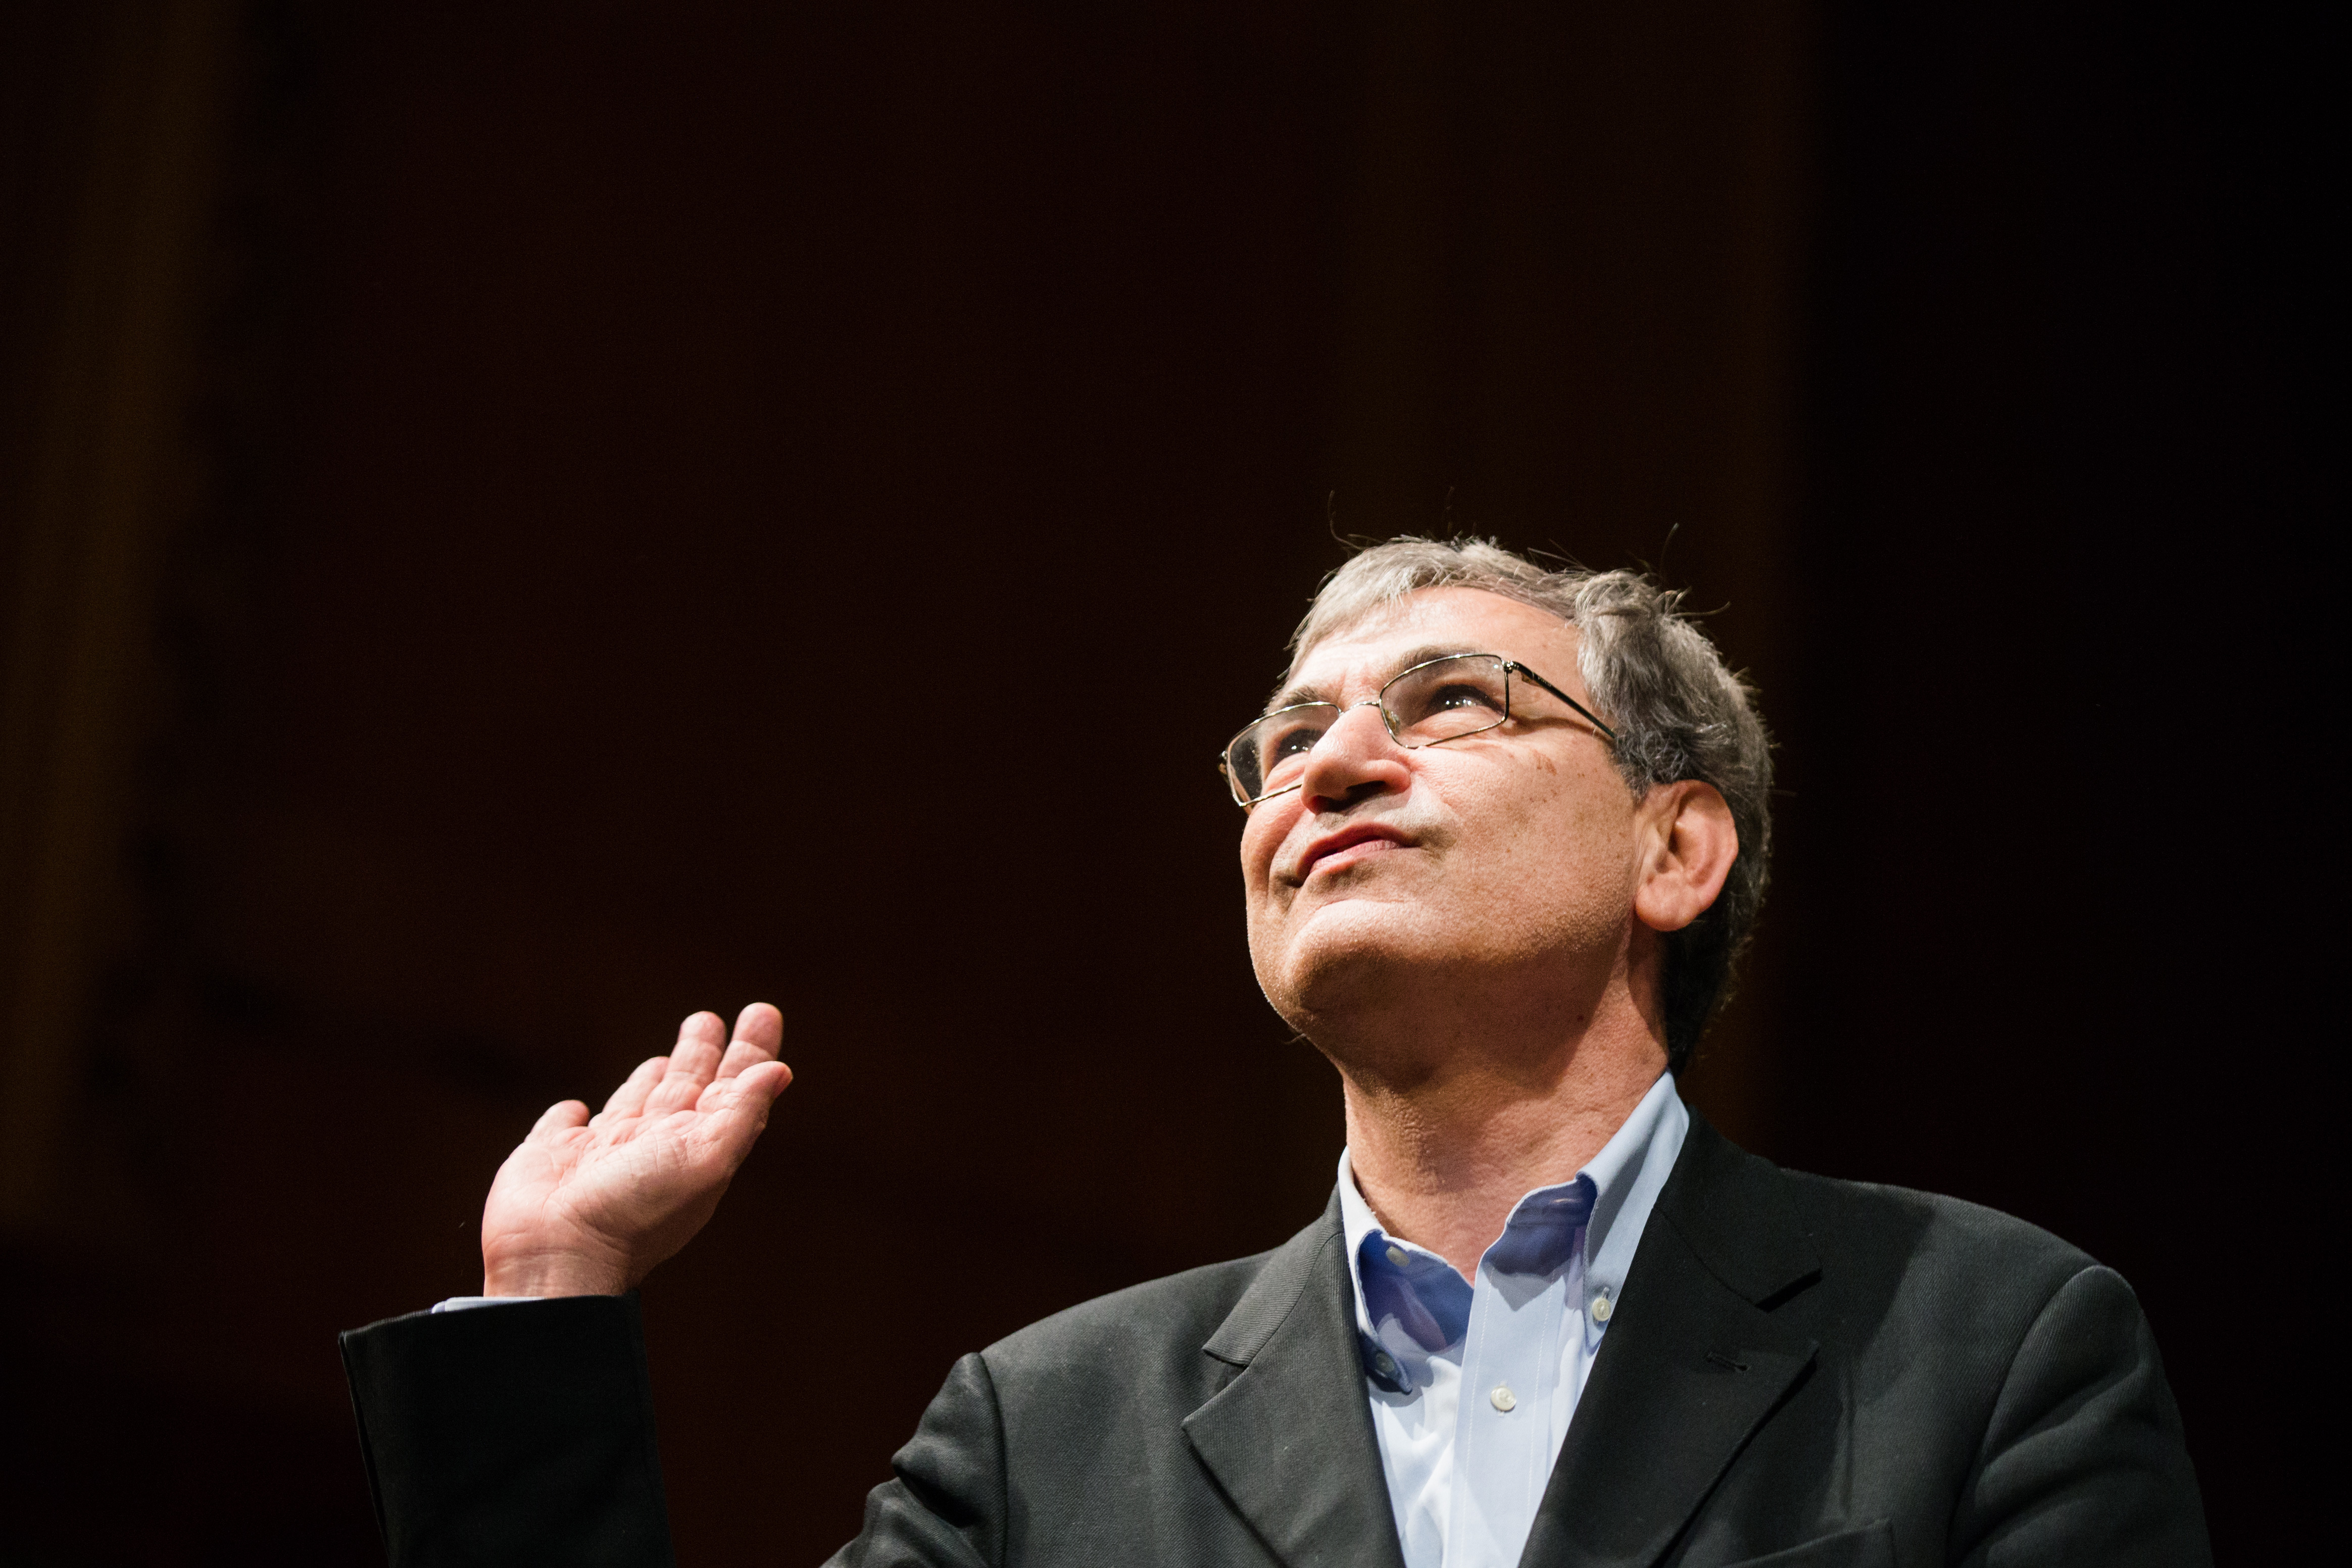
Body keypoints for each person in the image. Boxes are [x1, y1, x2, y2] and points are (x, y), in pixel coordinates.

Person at [340, 538, 2211, 1567]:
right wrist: (546, 1301)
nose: (1326, 764)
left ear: (1674, 846)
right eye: (1285, 737)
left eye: (1452, 703)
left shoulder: (1985, 1342)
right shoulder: (1047, 1433)